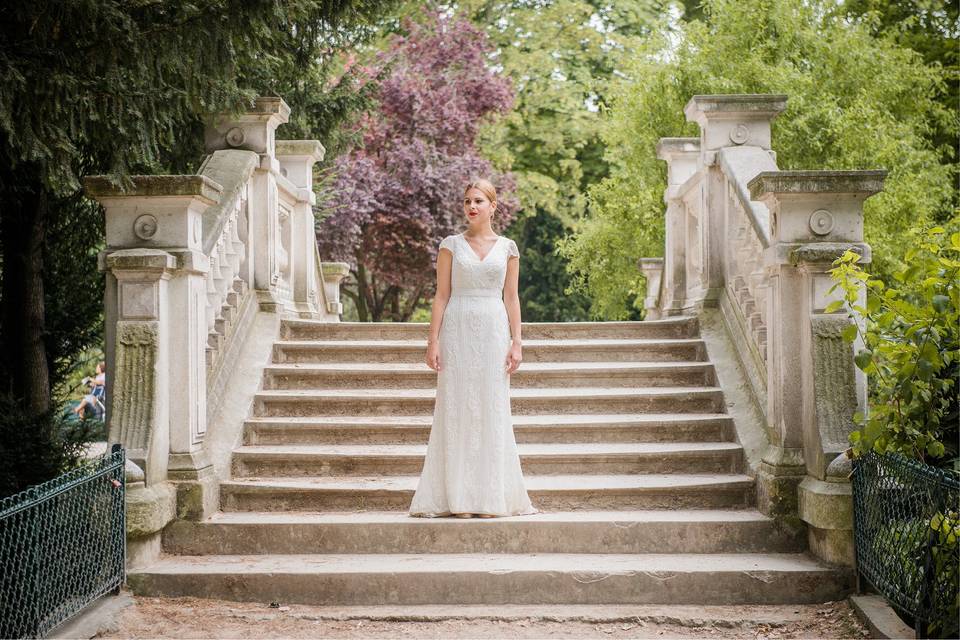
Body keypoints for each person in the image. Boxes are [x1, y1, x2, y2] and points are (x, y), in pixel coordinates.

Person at [409, 179, 537, 519]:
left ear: (493, 206)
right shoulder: (450, 245)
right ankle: (459, 499)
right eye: (467, 201)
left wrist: (517, 342)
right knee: (457, 408)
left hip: (494, 331)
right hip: (458, 329)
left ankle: (489, 497)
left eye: (479, 201)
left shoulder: (508, 248)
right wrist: (432, 341)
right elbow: (441, 295)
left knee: (491, 409)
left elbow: (511, 297)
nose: (472, 207)